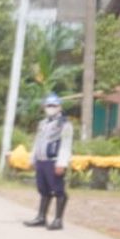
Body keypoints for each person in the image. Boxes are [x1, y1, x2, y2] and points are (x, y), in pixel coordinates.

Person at [25, 92, 73, 230]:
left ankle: (58, 220)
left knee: (58, 190)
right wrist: (32, 158)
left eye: (54, 105)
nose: (51, 107)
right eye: (48, 105)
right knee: (43, 189)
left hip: (54, 161)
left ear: (59, 107)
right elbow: (37, 142)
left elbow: (66, 144)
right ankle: (41, 217)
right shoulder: (43, 123)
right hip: (41, 160)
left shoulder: (64, 124)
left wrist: (62, 163)